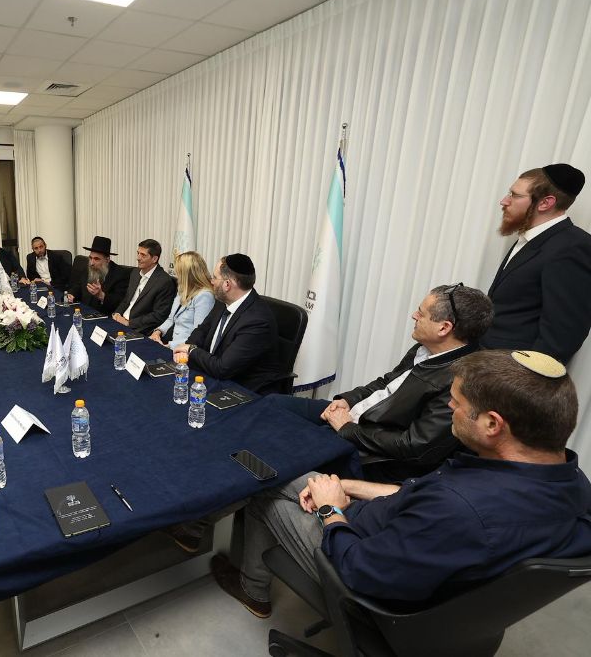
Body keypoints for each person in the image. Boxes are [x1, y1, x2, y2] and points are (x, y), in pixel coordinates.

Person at [211, 349, 591, 619]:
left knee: (266, 487)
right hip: (403, 539)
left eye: (456, 403)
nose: (449, 409)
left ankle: (252, 589)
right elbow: (423, 497)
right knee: (293, 476)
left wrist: (330, 511)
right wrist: (349, 486)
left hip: (358, 572)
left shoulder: (459, 509)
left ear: (492, 424)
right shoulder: (571, 483)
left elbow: (358, 569)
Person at [262, 284, 493, 482]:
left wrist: (348, 429)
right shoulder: (425, 349)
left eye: (421, 313)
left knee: (279, 445)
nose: (414, 316)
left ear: (444, 328)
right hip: (358, 418)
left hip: (372, 451)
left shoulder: (463, 381)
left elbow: (415, 447)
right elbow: (387, 382)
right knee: (271, 405)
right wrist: (348, 400)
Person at [481, 163, 591, 364]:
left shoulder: (572, 246)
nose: (504, 201)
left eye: (515, 195)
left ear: (545, 203)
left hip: (511, 373)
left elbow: (562, 336)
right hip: (487, 361)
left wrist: (522, 378)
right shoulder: (532, 237)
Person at [173, 253, 281, 393]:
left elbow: (222, 368)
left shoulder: (257, 321)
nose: (211, 281)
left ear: (227, 284)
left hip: (242, 390)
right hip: (212, 374)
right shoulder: (223, 302)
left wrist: (191, 350)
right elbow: (201, 330)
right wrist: (185, 350)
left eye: (214, 277)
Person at [149, 251, 215, 348]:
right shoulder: (182, 289)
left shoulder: (204, 296)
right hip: (172, 343)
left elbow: (198, 335)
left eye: (178, 272)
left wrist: (169, 345)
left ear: (187, 275)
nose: (176, 275)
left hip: (185, 349)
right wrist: (158, 332)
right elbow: (171, 318)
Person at [112, 239, 176, 335]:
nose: (138, 258)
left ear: (154, 259)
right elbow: (126, 300)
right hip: (120, 322)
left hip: (138, 329)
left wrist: (129, 323)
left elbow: (158, 315)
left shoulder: (164, 281)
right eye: (138, 253)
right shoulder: (135, 273)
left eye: (143, 255)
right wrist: (117, 313)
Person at [65, 235, 131, 315]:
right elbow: (78, 286)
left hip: (103, 316)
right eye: (90, 258)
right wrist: (71, 294)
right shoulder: (89, 268)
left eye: (96, 259)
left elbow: (119, 303)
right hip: (83, 312)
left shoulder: (120, 274)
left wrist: (101, 295)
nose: (91, 263)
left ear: (107, 260)